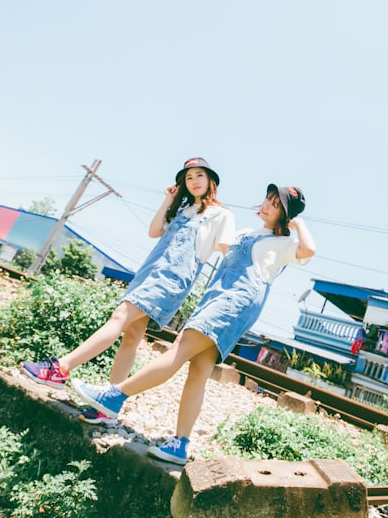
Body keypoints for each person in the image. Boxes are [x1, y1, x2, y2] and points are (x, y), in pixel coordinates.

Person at [72, 184, 316, 464]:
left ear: (286, 216)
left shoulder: (285, 244)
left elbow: (309, 249)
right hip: (215, 296)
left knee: (180, 348)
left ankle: (114, 396)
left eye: (276, 205)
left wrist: (298, 224)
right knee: (198, 370)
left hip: (236, 303)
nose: (267, 205)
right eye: (268, 199)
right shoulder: (247, 233)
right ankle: (179, 445)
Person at [20, 157, 235, 425]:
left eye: (199, 175)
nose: (194, 181)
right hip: (149, 272)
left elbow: (227, 254)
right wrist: (168, 200)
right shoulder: (183, 211)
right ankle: (107, 407)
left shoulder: (221, 215)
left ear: (211, 180)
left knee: (120, 316)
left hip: (171, 279)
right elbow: (154, 231)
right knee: (131, 336)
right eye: (188, 178)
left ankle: (60, 368)